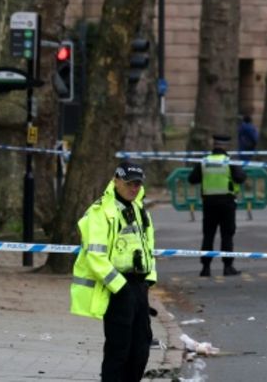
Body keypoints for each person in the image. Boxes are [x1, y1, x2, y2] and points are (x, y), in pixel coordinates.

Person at [70, 161, 156, 382]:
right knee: (119, 349)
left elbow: (148, 248)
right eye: (129, 183)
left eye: (138, 184)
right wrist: (120, 288)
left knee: (141, 347)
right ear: (116, 181)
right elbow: (95, 256)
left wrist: (149, 280)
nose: (134, 188)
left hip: (139, 286)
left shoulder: (138, 209)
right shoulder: (101, 212)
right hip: (117, 287)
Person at [189, 134, 247, 277]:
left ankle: (205, 268)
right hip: (227, 202)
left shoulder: (204, 161)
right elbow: (240, 178)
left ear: (214, 145)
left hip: (209, 203)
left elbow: (192, 179)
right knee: (227, 235)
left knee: (208, 235)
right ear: (226, 146)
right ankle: (228, 267)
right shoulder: (229, 161)